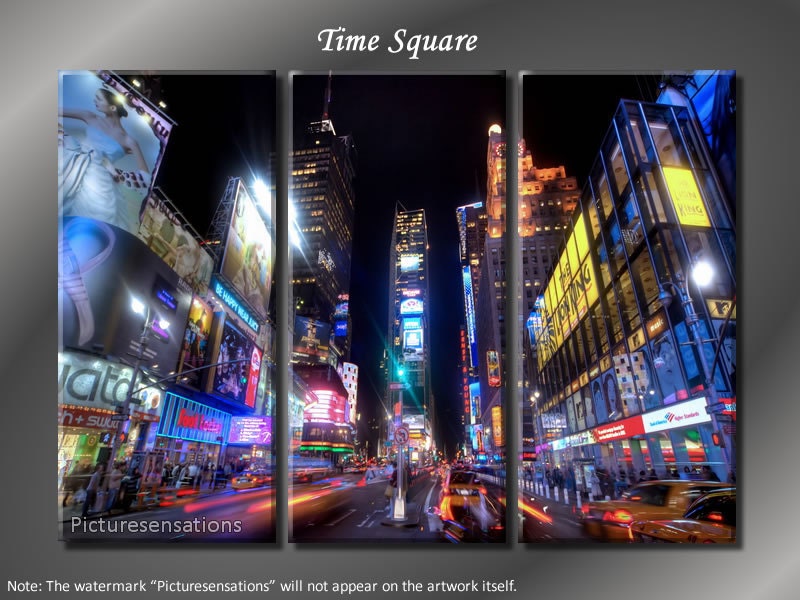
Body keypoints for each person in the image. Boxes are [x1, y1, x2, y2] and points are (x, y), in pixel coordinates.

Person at [59, 86, 151, 230]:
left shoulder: (129, 140)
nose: (95, 101)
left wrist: (120, 175)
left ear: (112, 107)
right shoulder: (90, 116)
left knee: (91, 223)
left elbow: (146, 178)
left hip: (101, 180)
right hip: (74, 163)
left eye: (99, 99)